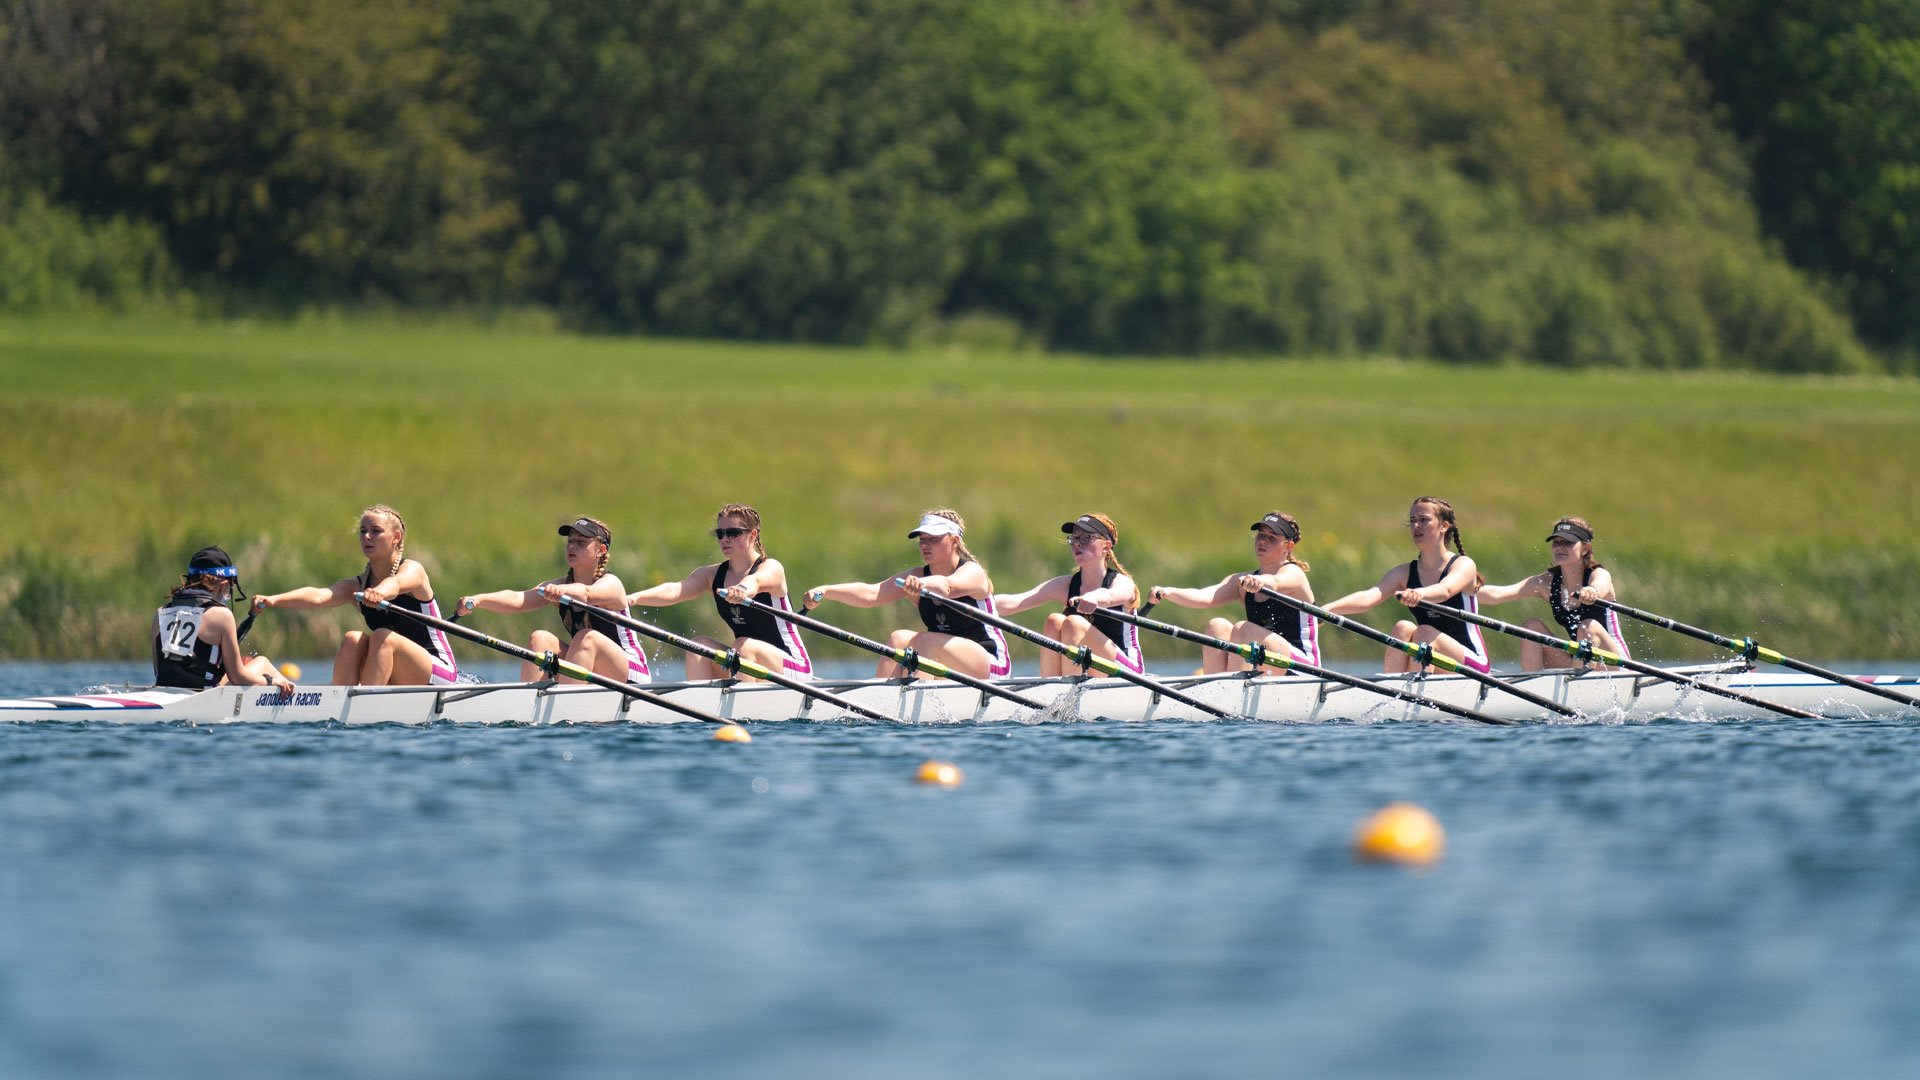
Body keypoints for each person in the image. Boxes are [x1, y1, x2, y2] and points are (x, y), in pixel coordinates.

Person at [251, 504, 459, 685]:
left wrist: (378, 593)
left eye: (376, 531)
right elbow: (319, 596)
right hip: (397, 671)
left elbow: (395, 584)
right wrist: (274, 600)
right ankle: (339, 704)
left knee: (382, 637)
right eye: (363, 531)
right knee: (353, 639)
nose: (366, 537)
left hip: (438, 670)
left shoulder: (413, 570)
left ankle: (364, 704)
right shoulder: (358, 585)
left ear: (396, 537)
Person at [802, 509, 1010, 680]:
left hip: (990, 663)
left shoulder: (972, 572)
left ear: (955, 541)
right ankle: (880, 703)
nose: (925, 545)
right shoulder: (916, 576)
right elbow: (872, 592)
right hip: (947, 659)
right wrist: (827, 590)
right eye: (922, 539)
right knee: (899, 638)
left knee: (926, 640)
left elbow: (946, 586)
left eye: (934, 539)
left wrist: (921, 584)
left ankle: (915, 702)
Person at [625, 504, 813, 681]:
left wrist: (742, 590)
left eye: (733, 533)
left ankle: (742, 710)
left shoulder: (771, 568)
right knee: (698, 646)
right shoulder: (711, 575)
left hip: (792, 667)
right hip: (746, 661)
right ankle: (702, 710)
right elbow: (675, 590)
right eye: (720, 533)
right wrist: (633, 599)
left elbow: (754, 582)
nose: (725, 539)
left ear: (752, 535)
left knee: (743, 645)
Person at [456, 516, 651, 685]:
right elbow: (518, 599)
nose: (572, 546)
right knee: (539, 639)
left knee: (586, 637)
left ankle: (566, 702)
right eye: (570, 541)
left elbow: (586, 594)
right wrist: (479, 599)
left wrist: (560, 591)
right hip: (591, 669)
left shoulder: (611, 584)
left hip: (632, 674)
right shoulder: (561, 586)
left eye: (581, 542)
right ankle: (528, 708)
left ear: (600, 550)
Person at [1322, 496, 1491, 674]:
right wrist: (1328, 609)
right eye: (1413, 520)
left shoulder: (1463, 564)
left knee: (1424, 632)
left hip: (1472, 664)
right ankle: (1394, 691)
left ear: (1444, 526)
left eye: (1424, 520)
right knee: (1403, 628)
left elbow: (1445, 590)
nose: (1416, 526)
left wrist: (1419, 594)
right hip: (1432, 656)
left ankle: (1416, 695)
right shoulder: (1404, 572)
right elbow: (1370, 596)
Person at [1147, 511, 1319, 675]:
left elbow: (1276, 582)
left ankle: (1234, 690)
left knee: (1243, 629)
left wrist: (1261, 582)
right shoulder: (1243, 581)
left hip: (1303, 666)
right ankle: (1215, 691)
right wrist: (1168, 592)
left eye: (1272, 538)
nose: (1263, 541)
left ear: (1288, 546)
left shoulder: (1295, 574)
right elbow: (1204, 596)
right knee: (1217, 626)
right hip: (1265, 662)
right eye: (1261, 535)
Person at [994, 513, 1146, 677]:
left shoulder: (1122, 583)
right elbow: (1017, 602)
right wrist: (979, 602)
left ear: (1106, 547)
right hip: (1093, 669)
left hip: (1129, 673)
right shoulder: (1066, 585)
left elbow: (1109, 596)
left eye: (1086, 538)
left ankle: (1069, 695)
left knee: (1074, 623)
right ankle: (1051, 690)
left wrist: (1093, 598)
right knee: (1055, 621)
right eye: (1074, 538)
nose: (1077, 544)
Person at [1475, 516, 1630, 670]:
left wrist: (1592, 591)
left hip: (1615, 664)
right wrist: (1459, 590)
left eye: (1568, 542)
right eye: (1556, 542)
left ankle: (1579, 686)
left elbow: (1600, 585)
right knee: (1532, 627)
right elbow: (1496, 594)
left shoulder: (1598, 574)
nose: (1560, 547)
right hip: (1579, 661)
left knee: (1588, 627)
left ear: (1585, 549)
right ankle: (1532, 686)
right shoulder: (1546, 583)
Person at [153, 546, 295, 693]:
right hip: (203, 697)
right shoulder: (221, 615)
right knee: (262, 663)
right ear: (224, 584)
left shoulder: (161, 613)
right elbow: (237, 677)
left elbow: (159, 670)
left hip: (164, 692)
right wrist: (271, 681)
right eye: (229, 589)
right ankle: (294, 696)